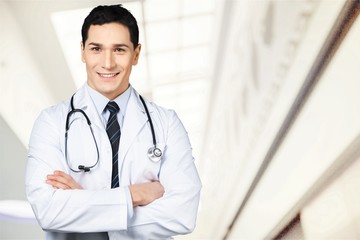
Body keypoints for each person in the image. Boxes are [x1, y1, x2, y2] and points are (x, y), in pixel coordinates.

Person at [25, 4, 201, 240]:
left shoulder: (167, 123)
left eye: (119, 50)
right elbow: (49, 211)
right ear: (82, 51)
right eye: (96, 49)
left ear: (136, 54)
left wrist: (84, 202)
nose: (107, 63)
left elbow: (182, 214)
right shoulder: (51, 122)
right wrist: (134, 195)